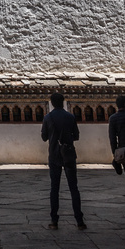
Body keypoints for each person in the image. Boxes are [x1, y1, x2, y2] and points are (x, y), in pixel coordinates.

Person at [41, 92, 86, 230]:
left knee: (54, 188)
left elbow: (44, 137)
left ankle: (54, 220)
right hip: (69, 156)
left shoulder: (48, 118)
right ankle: (79, 221)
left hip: (54, 156)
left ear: (52, 103)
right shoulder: (70, 117)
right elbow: (76, 136)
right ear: (63, 102)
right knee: (74, 188)